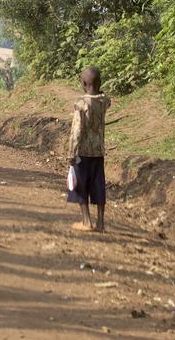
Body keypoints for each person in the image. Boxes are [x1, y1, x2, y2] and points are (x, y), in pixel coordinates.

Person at [67, 66, 111, 232]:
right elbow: (106, 99)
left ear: (83, 83)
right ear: (99, 83)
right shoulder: (103, 102)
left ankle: (86, 221)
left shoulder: (80, 104)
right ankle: (100, 222)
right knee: (98, 185)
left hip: (82, 153)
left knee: (81, 186)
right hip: (98, 152)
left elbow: (77, 131)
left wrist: (71, 152)